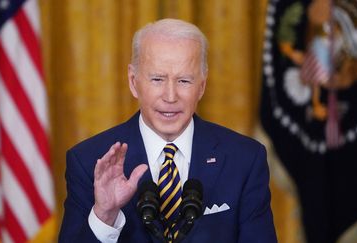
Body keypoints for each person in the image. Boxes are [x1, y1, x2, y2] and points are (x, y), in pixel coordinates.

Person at [58, 18, 277, 242]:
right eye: (157, 79)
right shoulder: (89, 162)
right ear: (133, 82)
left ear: (201, 86)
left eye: (183, 81)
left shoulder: (244, 159)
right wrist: (104, 216)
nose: (170, 97)